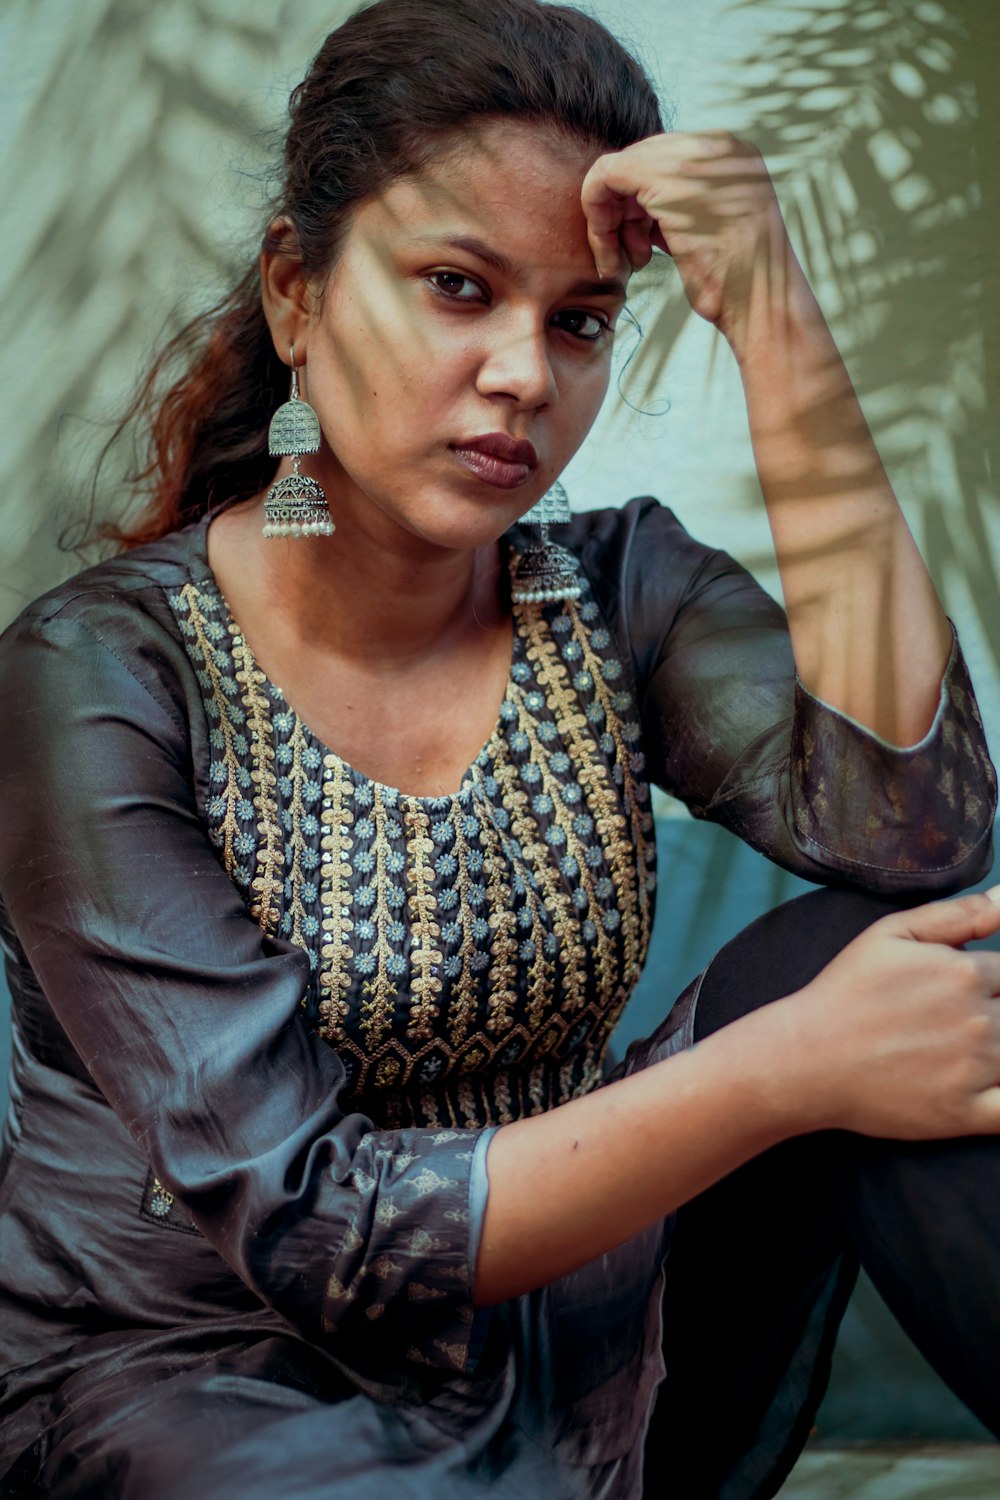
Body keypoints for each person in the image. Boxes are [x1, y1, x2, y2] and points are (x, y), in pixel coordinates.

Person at [0, 1, 997, 1496]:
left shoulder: (618, 594)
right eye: (458, 289)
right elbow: (315, 1227)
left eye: (578, 321)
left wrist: (776, 318)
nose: (526, 373)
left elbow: (917, 833)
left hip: (588, 1330)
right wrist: (786, 1067)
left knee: (906, 950)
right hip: (214, 1380)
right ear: (296, 295)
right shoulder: (97, 676)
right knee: (816, 1019)